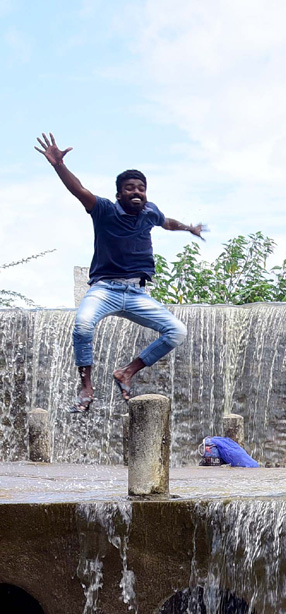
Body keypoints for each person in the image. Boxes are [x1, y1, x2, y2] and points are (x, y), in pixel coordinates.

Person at [36, 133, 206, 412]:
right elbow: (78, 189)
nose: (137, 192)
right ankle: (87, 386)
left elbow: (167, 222)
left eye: (141, 188)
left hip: (137, 293)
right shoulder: (103, 209)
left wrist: (189, 228)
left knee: (177, 331)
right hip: (105, 289)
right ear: (119, 194)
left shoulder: (150, 212)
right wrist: (58, 165)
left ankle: (126, 372)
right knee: (82, 325)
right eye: (130, 188)